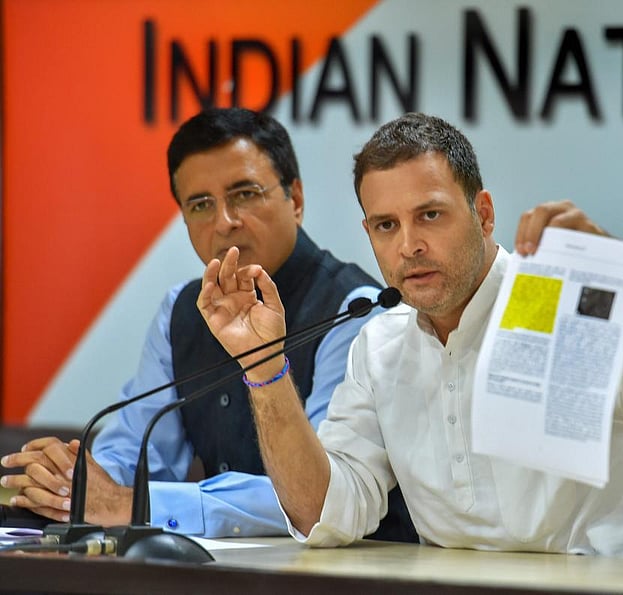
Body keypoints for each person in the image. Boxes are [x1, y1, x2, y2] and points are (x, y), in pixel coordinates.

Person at [196, 112, 623, 557]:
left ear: (483, 214)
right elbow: (327, 515)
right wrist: (264, 367)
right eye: (386, 225)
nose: (408, 245)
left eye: (430, 215)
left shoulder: (561, 300)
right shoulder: (381, 346)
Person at [0, 108, 416, 542]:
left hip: (357, 571)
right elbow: (134, 447)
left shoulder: (357, 311)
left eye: (245, 194)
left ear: (295, 199)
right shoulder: (180, 311)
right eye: (200, 205)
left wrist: (135, 505)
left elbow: (324, 496)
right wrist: (72, 483)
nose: (224, 222)